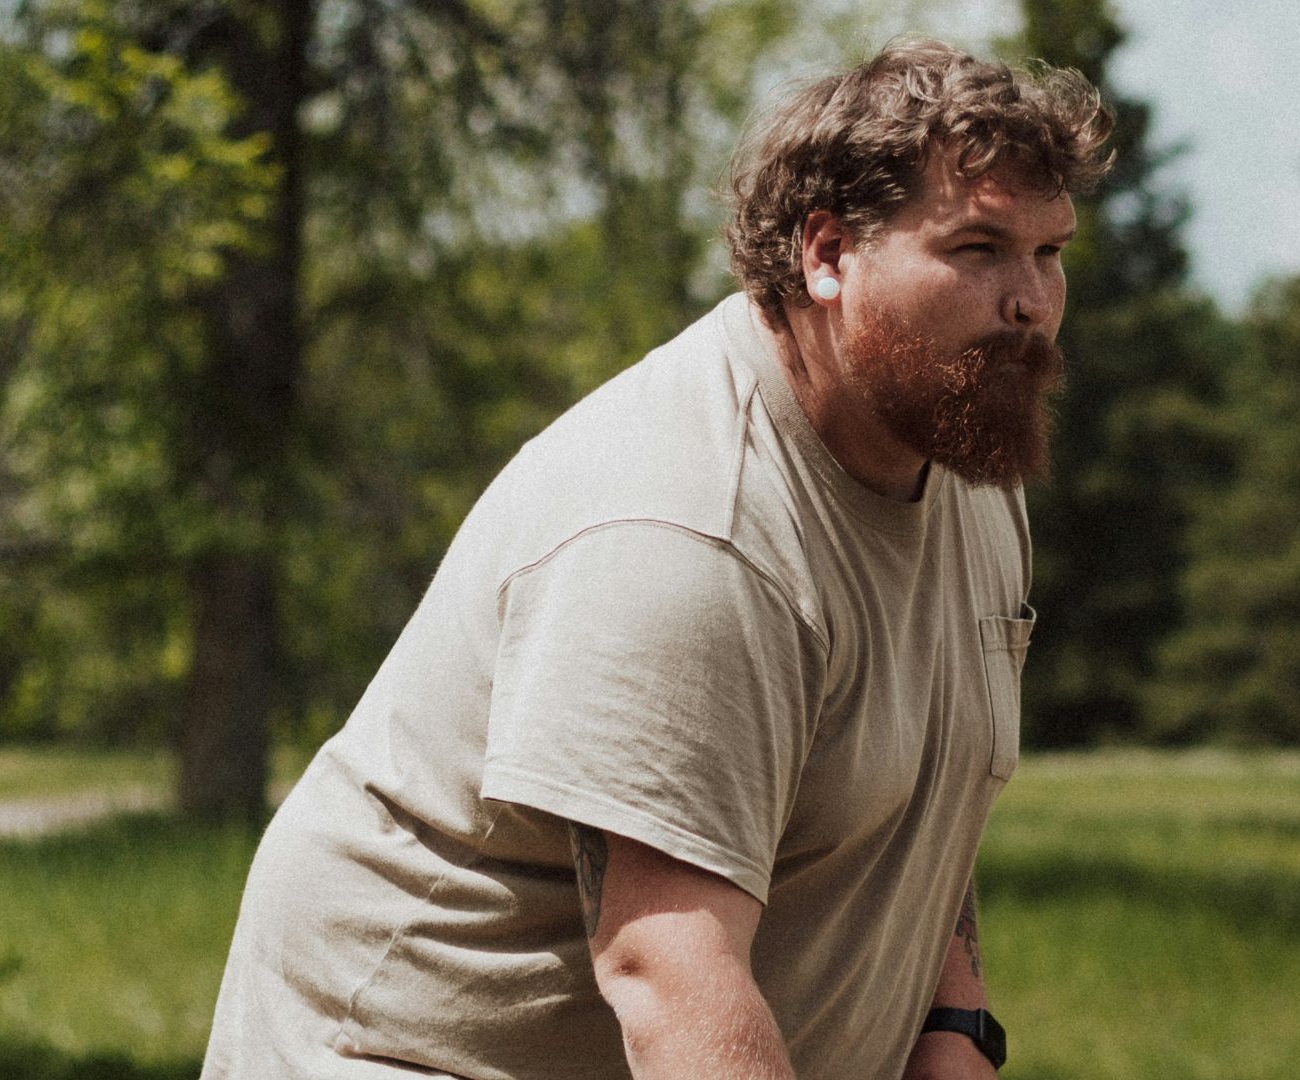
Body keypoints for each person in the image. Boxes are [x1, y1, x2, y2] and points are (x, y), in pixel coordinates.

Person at [201, 36, 1110, 1080]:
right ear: (826, 255)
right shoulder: (686, 533)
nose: (1032, 302)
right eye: (977, 249)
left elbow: (920, 796)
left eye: (1052, 252)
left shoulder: (965, 470)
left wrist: (956, 1029)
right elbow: (668, 971)